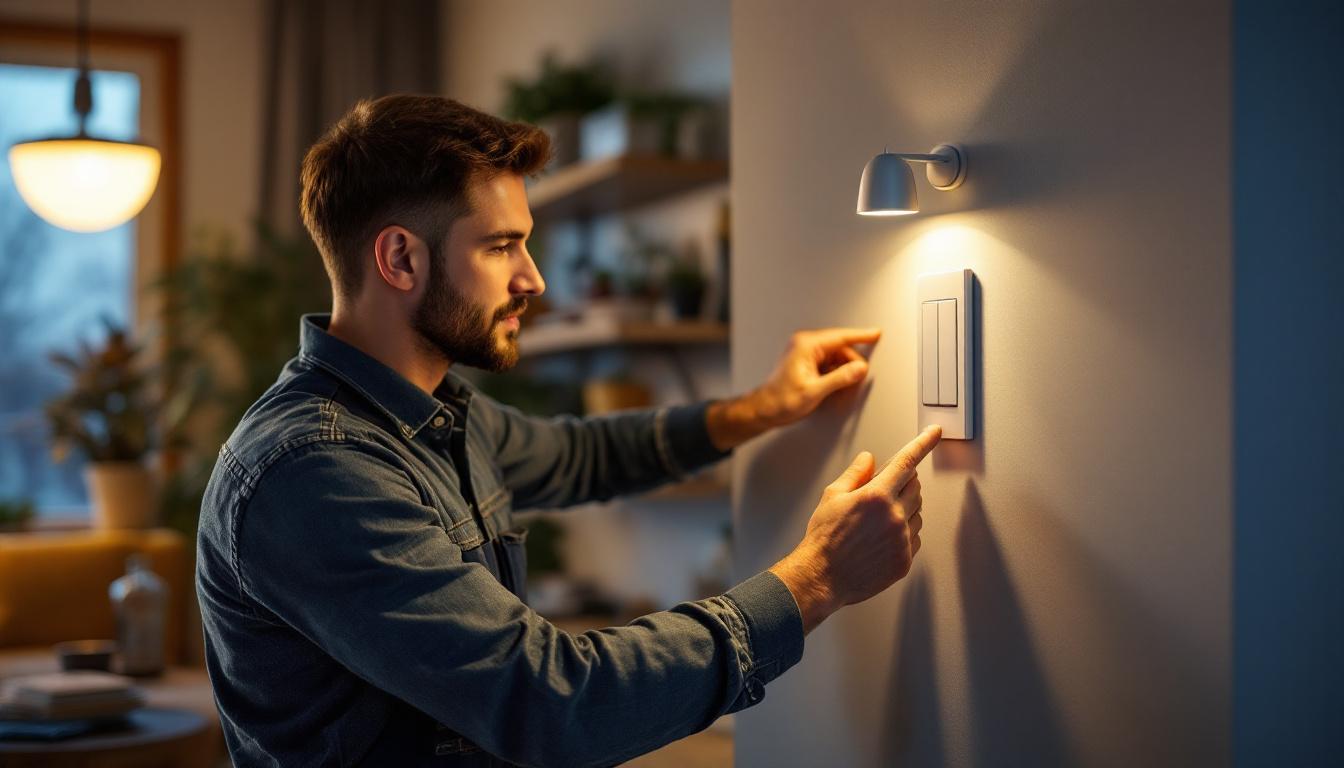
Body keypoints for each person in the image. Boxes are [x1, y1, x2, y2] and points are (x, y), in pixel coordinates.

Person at [195, 93, 941, 767]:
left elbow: (580, 455)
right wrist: (816, 578)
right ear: (399, 258)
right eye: (500, 246)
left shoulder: (438, 413)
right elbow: (553, 704)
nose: (533, 278)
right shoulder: (316, 469)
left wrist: (761, 408)